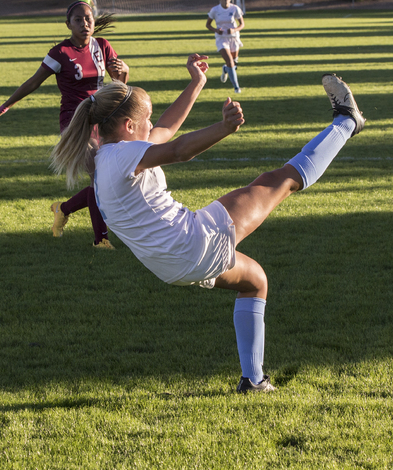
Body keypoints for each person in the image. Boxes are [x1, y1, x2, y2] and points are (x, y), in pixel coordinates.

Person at [51, 58, 365, 393]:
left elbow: (166, 131)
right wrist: (225, 127)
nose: (152, 123)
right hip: (194, 241)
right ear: (129, 126)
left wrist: (197, 82)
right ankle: (347, 121)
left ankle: (254, 381)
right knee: (280, 180)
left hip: (169, 264)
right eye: (146, 118)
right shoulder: (124, 156)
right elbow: (179, 149)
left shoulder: (105, 157)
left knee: (256, 281)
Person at [0, 0, 129, 249]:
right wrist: (4, 106)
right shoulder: (60, 53)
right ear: (68, 24)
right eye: (78, 20)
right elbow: (33, 82)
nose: (85, 23)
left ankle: (62, 209)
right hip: (75, 121)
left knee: (105, 179)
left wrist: (124, 71)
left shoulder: (102, 46)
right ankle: (101, 239)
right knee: (99, 177)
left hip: (101, 117)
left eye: (88, 18)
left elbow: (120, 85)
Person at [206, 0, 245, 94]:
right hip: (221, 39)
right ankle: (236, 87)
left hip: (234, 38)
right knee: (230, 62)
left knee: (234, 62)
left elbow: (242, 24)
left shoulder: (235, 9)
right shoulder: (215, 10)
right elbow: (208, 25)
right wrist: (216, 30)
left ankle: (225, 70)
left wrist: (234, 29)